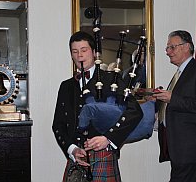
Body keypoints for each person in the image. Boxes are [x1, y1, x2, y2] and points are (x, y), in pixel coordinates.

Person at [52, 31, 143, 181]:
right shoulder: (66, 86)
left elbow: (135, 111)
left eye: (84, 50)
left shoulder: (111, 79)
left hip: (103, 154)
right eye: (75, 51)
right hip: (77, 157)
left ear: (94, 53)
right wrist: (72, 149)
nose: (79, 55)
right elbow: (58, 124)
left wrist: (108, 138)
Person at [153, 30, 196, 182]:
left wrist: (173, 98)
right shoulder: (181, 73)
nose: (167, 52)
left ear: (186, 46)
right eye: (167, 48)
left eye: (171, 47)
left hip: (190, 146)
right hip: (179, 145)